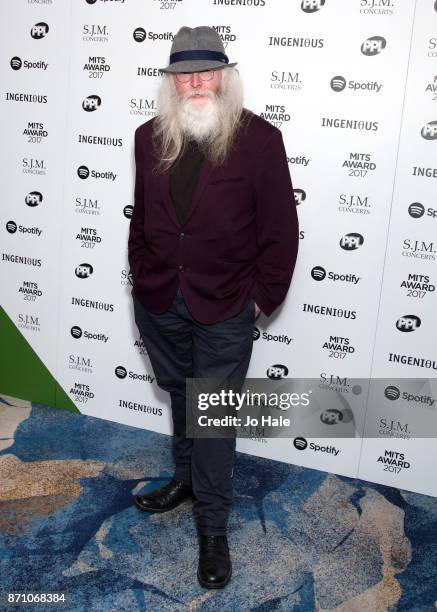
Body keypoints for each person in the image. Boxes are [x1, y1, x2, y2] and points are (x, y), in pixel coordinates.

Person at [128, 25, 299, 589]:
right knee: (180, 396)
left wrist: (258, 303)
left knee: (214, 418)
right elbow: (143, 220)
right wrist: (139, 277)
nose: (195, 81)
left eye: (205, 71)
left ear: (225, 78)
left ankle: (212, 527)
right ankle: (185, 480)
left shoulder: (260, 140)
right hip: (160, 302)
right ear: (171, 83)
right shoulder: (147, 136)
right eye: (183, 74)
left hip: (228, 307)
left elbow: (281, 233)